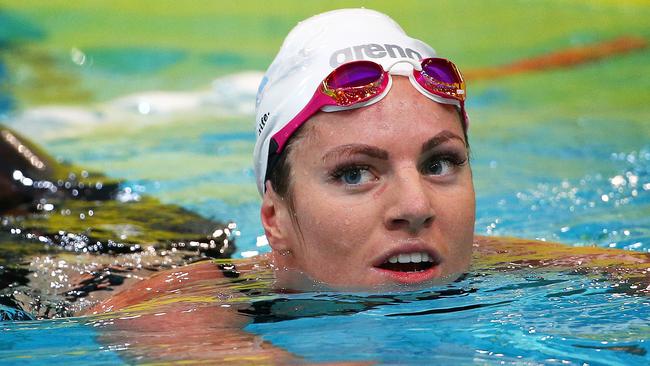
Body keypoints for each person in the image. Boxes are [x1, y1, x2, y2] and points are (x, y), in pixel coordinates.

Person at [82, 8, 648, 363]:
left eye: (440, 163)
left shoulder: (484, 258)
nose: (416, 206)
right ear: (275, 218)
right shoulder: (174, 304)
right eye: (354, 173)